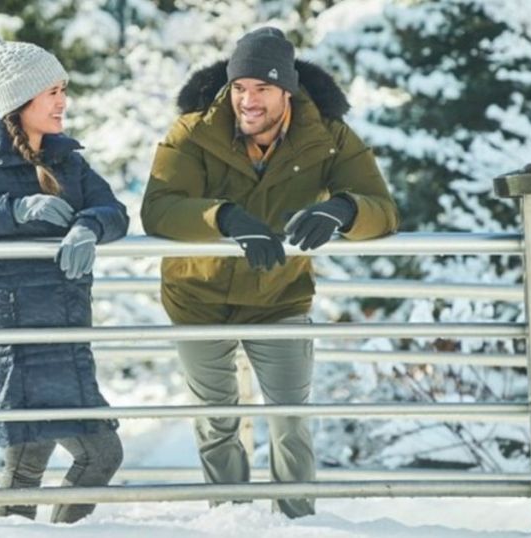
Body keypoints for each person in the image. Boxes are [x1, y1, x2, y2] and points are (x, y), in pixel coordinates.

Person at [141, 27, 399, 518]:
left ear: (288, 91)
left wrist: (343, 210)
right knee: (217, 424)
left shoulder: (327, 137)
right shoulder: (193, 131)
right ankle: (229, 518)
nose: (248, 101)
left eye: (261, 88)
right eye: (239, 88)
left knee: (290, 421)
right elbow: (159, 209)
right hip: (196, 296)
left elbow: (383, 209)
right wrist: (223, 218)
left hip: (280, 296)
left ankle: (299, 523)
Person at [0, 32, 128, 524]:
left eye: (64, 90)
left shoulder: (67, 158)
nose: (64, 102)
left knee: (99, 455)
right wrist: (14, 209)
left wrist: (89, 225)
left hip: (64, 329)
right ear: (21, 101)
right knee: (28, 470)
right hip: (15, 334)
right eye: (53, 93)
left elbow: (114, 210)